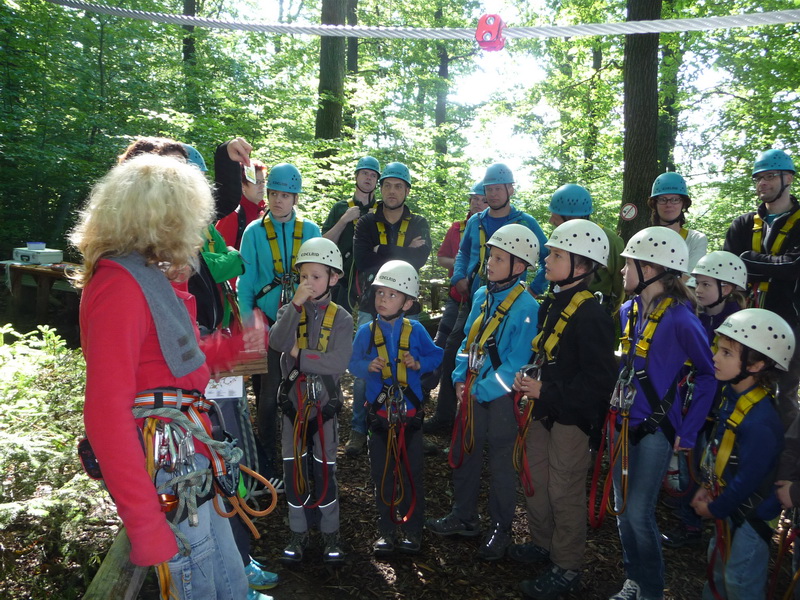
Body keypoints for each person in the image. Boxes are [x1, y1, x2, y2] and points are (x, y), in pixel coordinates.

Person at [71, 153, 273, 600]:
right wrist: (145, 525)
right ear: (165, 219)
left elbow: (172, 359)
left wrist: (234, 349)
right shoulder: (118, 286)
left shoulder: (148, 278)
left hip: (192, 466)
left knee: (231, 587)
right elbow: (106, 414)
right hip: (170, 475)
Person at [510, 220, 618, 599]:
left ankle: (567, 565)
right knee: (536, 481)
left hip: (571, 420)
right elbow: (550, 357)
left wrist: (546, 390)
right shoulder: (551, 304)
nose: (547, 259)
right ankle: (543, 544)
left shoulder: (593, 318)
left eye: (556, 255)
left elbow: (599, 384)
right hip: (543, 410)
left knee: (564, 490)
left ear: (583, 266)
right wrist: (531, 379)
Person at [609, 226, 716, 600]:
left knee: (638, 512)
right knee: (622, 511)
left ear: (652, 268)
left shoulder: (682, 319)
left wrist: (688, 433)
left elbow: (707, 374)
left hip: (655, 429)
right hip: (620, 423)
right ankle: (633, 579)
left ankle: (651, 590)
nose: (622, 271)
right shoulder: (627, 311)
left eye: (629, 264)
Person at [426, 224, 540, 561]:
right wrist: (460, 379)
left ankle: (500, 529)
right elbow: (467, 343)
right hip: (473, 391)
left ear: (519, 267)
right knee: (465, 451)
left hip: (501, 400)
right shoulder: (481, 295)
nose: (490, 262)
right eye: (490, 255)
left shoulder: (527, 308)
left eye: (499, 258)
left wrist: (481, 390)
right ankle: (464, 516)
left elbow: (518, 363)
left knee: (503, 465)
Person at [423, 163, 549, 437]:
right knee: (455, 351)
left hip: (511, 303)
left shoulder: (525, 223)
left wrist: (535, 290)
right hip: (476, 300)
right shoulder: (475, 221)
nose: (491, 194)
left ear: (510, 190)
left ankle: (495, 419)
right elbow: (464, 253)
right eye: (488, 189)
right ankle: (448, 414)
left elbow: (547, 257)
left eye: (497, 189)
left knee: (502, 356)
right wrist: (459, 277)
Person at [691, 308, 792, 600]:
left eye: (726, 353)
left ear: (757, 364)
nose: (714, 358)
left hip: (750, 515)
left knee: (740, 581)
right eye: (718, 349)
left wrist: (716, 508)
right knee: (719, 571)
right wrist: (706, 486)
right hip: (729, 501)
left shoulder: (761, 421)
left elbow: (750, 478)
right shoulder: (733, 395)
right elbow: (720, 445)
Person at [268, 238, 353, 565]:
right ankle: (298, 531)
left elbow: (338, 363)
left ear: (333, 278)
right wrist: (295, 308)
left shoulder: (342, 319)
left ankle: (331, 531)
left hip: (325, 405)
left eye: (317, 277)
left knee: (325, 467)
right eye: (304, 276)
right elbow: (277, 341)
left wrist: (299, 355)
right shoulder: (289, 311)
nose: (309, 283)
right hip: (293, 404)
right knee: (294, 468)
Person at [349, 260, 443, 555]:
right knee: (383, 474)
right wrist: (368, 366)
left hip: (410, 417)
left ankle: (413, 531)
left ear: (408, 302)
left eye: (392, 295)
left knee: (411, 472)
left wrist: (419, 363)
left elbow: (436, 356)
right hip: (379, 417)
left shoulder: (416, 331)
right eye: (380, 294)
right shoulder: (366, 332)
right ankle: (388, 531)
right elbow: (352, 365)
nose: (383, 300)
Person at [238, 163, 322, 491]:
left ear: (295, 197)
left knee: (306, 390)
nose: (278, 200)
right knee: (269, 396)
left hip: (301, 322)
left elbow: (319, 278)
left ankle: (307, 458)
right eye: (273, 193)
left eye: (285, 195)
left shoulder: (310, 231)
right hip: (269, 323)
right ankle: (269, 463)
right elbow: (245, 284)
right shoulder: (254, 233)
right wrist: (250, 327)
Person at [661, 251, 748, 550]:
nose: (698, 289)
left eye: (707, 285)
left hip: (722, 410)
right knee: (692, 462)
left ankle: (696, 521)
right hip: (695, 403)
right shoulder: (694, 315)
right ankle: (689, 513)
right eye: (697, 283)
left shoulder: (737, 324)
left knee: (708, 465)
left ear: (728, 289)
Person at [345, 162, 431, 456]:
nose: (392, 192)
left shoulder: (419, 222)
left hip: (408, 306)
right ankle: (360, 428)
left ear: (407, 190)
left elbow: (419, 260)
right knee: (367, 367)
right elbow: (363, 259)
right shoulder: (367, 222)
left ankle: (412, 421)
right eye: (387, 186)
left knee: (410, 361)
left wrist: (382, 250)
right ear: (380, 189)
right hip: (373, 303)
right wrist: (403, 251)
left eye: (398, 186)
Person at [724, 149, 800, 430]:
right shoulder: (742, 224)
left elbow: (794, 267)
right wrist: (775, 265)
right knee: (737, 388)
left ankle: (786, 470)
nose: (762, 184)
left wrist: (750, 259)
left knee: (784, 396)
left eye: (769, 177)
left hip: (789, 323)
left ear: (788, 178)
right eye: (758, 179)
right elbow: (730, 270)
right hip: (744, 324)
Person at [422, 180, 488, 442]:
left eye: (480, 199)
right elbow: (444, 257)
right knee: (447, 346)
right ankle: (433, 395)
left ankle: (472, 415)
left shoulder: (499, 224)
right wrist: (462, 270)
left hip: (481, 300)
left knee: (465, 351)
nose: (476, 202)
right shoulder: (459, 228)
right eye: (473, 198)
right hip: (458, 297)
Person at [547, 183, 625, 316]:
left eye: (556, 218)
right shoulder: (559, 237)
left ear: (570, 218)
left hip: (593, 314)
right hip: (560, 308)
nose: (550, 221)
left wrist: (610, 312)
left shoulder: (609, 241)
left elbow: (620, 285)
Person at [321, 156, 381, 311]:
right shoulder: (340, 208)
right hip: (342, 278)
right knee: (335, 321)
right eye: (365, 173)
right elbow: (324, 244)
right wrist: (344, 220)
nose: (369, 177)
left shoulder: (383, 211)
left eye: (373, 175)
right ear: (356, 176)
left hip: (373, 277)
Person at [648, 172, 708, 272]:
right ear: (655, 204)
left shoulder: (695, 240)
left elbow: (690, 278)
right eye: (662, 199)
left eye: (675, 199)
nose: (669, 204)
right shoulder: (644, 238)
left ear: (683, 203)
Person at [216, 159, 268, 250]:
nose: (262, 186)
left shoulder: (265, 212)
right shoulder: (232, 214)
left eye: (263, 181)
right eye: (256, 182)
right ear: (243, 185)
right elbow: (220, 255)